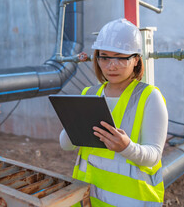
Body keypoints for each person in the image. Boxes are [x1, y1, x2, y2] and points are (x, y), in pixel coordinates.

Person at [59, 18, 168, 207]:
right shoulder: (89, 94)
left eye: (120, 57)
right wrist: (72, 125)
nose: (111, 65)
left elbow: (154, 155)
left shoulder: (150, 97)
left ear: (135, 60)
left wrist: (127, 147)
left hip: (131, 201)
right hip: (89, 199)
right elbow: (66, 146)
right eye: (104, 57)